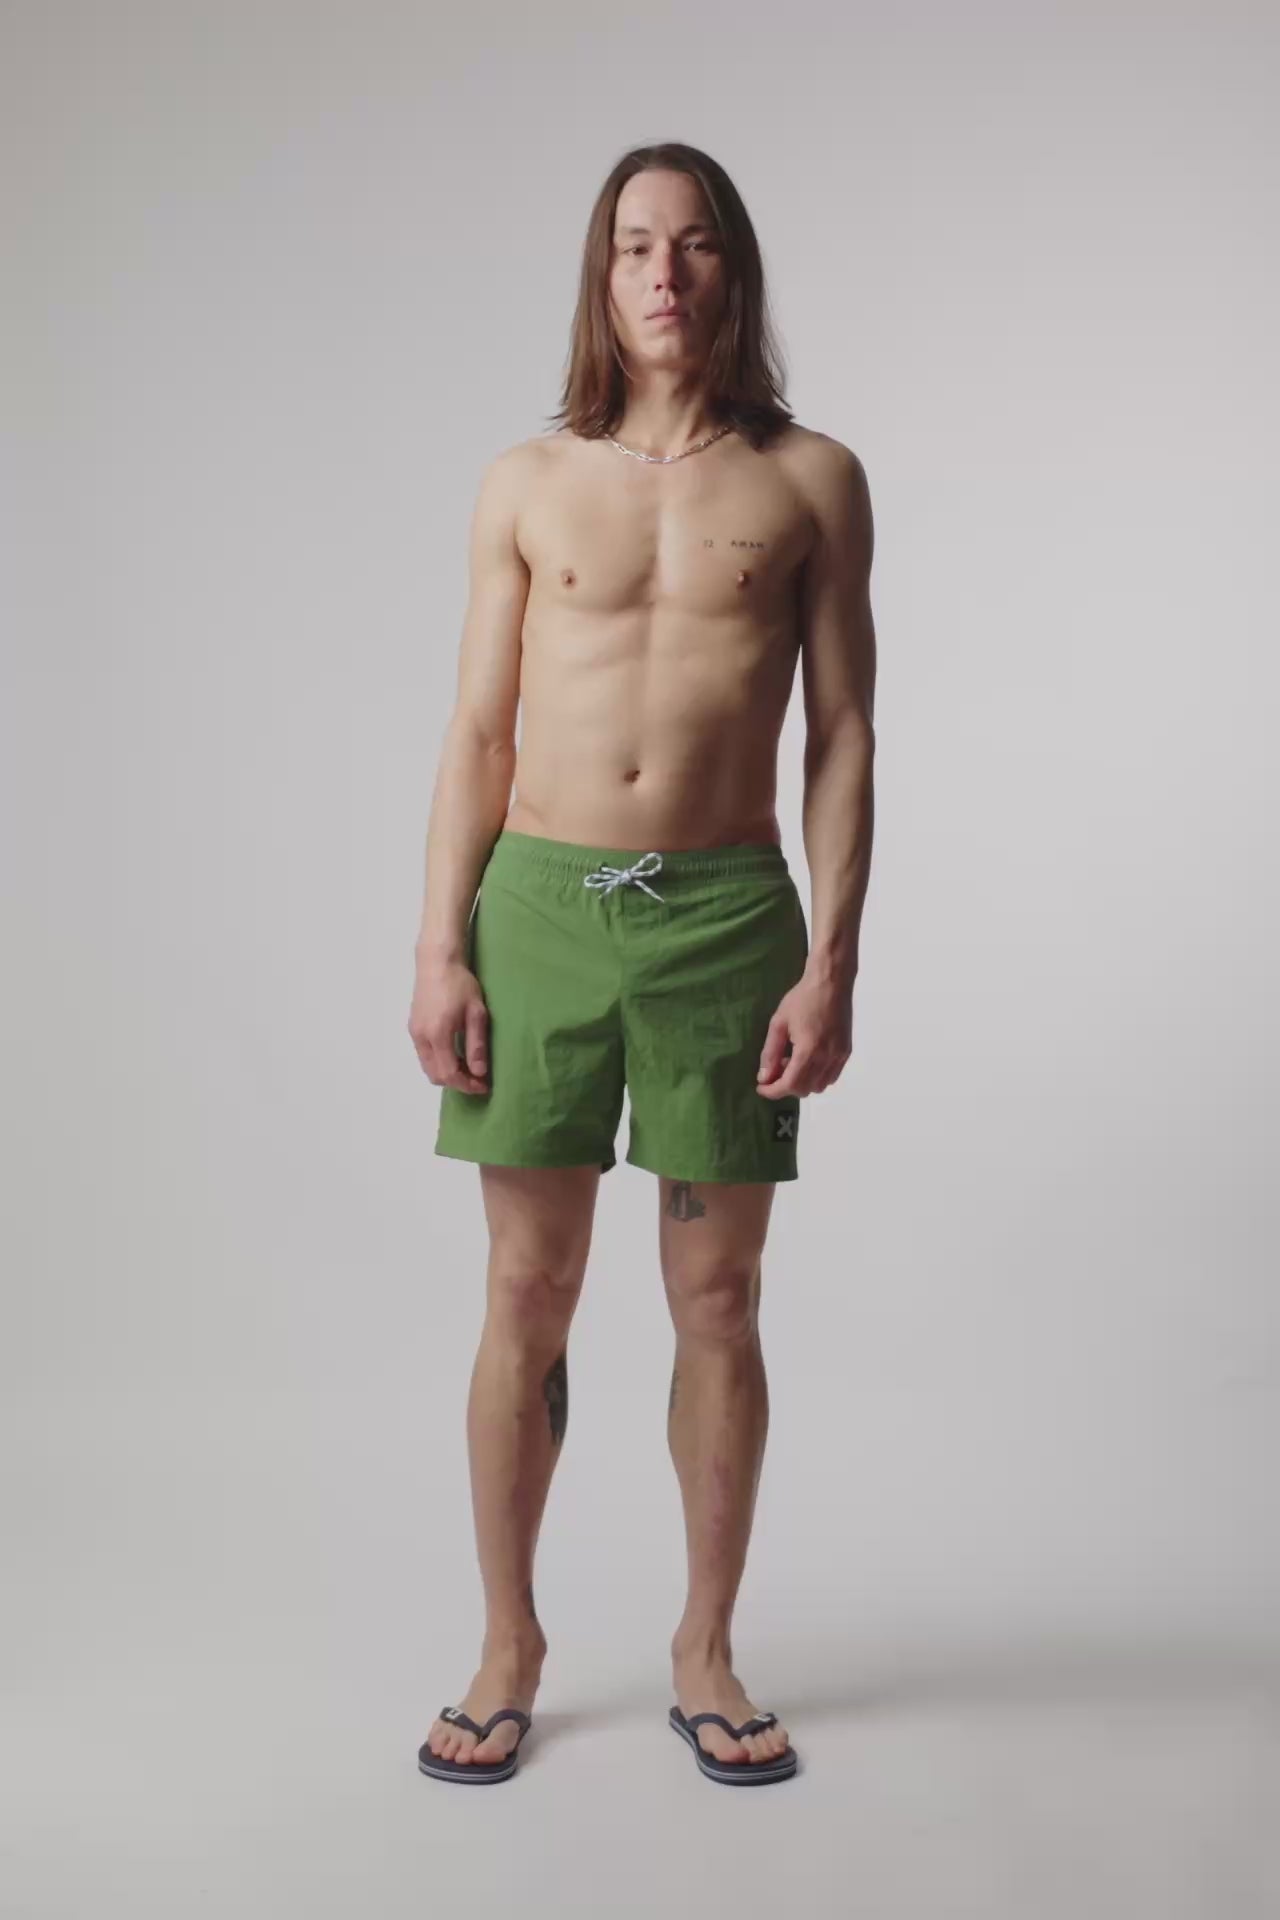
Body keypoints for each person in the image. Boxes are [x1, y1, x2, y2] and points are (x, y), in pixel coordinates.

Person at [408, 140, 876, 1787]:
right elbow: (478, 729)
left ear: (733, 268)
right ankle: (508, 1644)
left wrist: (833, 960)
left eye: (692, 245)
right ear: (601, 279)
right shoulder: (527, 484)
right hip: (538, 909)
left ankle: (705, 1647)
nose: (663, 274)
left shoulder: (811, 480)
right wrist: (439, 948)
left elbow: (843, 732)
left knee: (718, 1298)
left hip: (727, 918)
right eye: (632, 248)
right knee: (526, 1293)